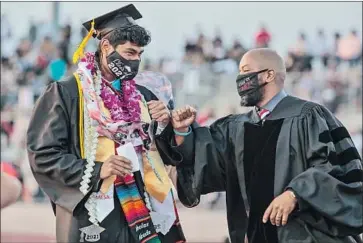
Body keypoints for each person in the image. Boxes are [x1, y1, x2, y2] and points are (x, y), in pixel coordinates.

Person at [165, 48, 363, 242]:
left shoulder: (309, 116)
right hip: (255, 234)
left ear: (269, 75)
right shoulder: (235, 127)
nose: (240, 78)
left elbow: (333, 168)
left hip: (304, 235)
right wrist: (183, 132)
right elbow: (206, 161)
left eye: (245, 70)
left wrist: (295, 194)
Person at [27, 4, 186, 243]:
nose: (135, 62)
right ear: (105, 46)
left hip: (143, 211)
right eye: (130, 53)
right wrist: (98, 169)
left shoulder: (144, 96)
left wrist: (165, 125)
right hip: (93, 215)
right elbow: (43, 155)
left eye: (140, 55)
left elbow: (164, 156)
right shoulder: (67, 94)